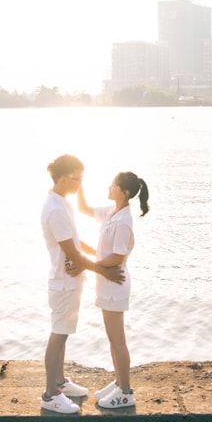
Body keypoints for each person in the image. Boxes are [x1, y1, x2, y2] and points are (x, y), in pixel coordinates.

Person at [40, 154, 124, 414]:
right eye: (78, 179)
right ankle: (50, 394)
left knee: (63, 333)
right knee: (59, 334)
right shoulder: (54, 208)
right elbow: (73, 254)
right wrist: (103, 271)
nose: (80, 185)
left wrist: (99, 255)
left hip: (70, 279)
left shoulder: (62, 202)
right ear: (64, 178)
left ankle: (60, 382)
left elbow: (76, 243)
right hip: (62, 282)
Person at [76, 170, 149, 409]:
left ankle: (126, 392)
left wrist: (88, 264)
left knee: (118, 341)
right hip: (106, 282)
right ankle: (119, 381)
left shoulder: (124, 221)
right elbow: (84, 209)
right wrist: (79, 185)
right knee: (112, 339)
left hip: (115, 284)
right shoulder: (111, 212)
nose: (109, 187)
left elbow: (117, 257)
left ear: (124, 193)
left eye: (114, 185)